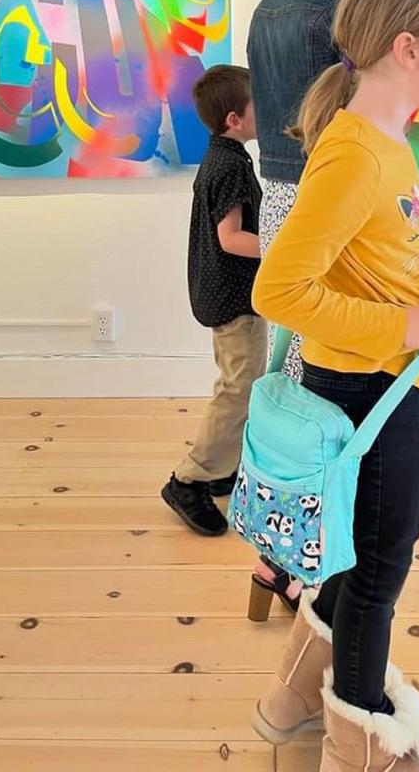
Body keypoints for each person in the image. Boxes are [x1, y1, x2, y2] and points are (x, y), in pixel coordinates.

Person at [251, 0, 419, 772]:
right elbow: (280, 288)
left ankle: (292, 700)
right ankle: (360, 745)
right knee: (382, 562)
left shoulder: (391, 145)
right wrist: (405, 323)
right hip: (367, 386)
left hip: (387, 385)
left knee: (384, 535)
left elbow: (370, 236)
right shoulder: (355, 153)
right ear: (411, 50)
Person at [245, 0, 369, 614]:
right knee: (327, 385)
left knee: (286, 384)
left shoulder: (267, 7)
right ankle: (306, 560)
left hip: (279, 201)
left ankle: (273, 552)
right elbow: (356, 128)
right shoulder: (340, 8)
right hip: (327, 206)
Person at [160, 65, 266, 537]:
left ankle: (220, 466)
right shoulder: (231, 166)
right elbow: (231, 238)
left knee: (235, 381)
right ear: (233, 120)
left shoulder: (220, 158)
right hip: (233, 297)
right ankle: (190, 478)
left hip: (221, 292)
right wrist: (282, 245)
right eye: (256, 105)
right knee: (238, 388)